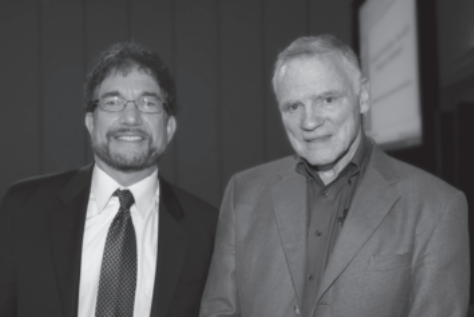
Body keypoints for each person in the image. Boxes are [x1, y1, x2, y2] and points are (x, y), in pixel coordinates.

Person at [199, 35, 469, 317]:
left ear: (362, 96)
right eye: (293, 107)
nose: (310, 122)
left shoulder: (436, 206)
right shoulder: (244, 193)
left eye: (327, 99)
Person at [0, 42, 218, 317]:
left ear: (169, 127)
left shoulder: (209, 231)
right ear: (91, 123)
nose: (130, 117)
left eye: (148, 103)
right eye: (113, 102)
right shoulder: (23, 210)